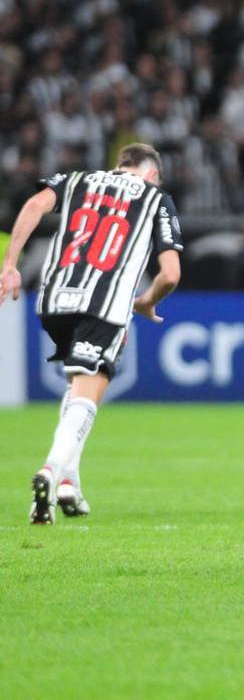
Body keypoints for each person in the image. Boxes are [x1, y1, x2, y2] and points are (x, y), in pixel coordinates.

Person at [0, 143, 183, 523]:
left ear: (119, 165)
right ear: (152, 174)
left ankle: (69, 484)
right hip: (105, 304)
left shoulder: (77, 179)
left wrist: (10, 265)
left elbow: (34, 206)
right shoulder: (156, 196)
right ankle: (50, 471)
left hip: (55, 300)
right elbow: (170, 274)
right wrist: (147, 301)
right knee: (88, 394)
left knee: (76, 385)